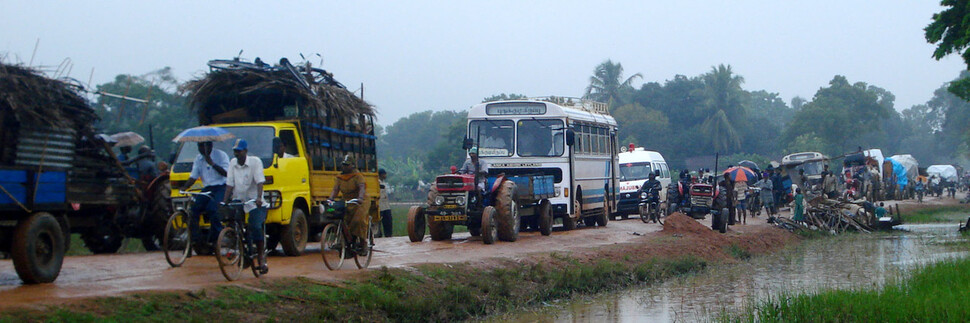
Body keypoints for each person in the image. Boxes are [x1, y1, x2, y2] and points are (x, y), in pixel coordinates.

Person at [223, 139, 268, 274]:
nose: (237, 154)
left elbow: (260, 181)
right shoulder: (232, 163)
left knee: (254, 226)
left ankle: (260, 257)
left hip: (255, 202)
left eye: (239, 151)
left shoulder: (255, 162)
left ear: (245, 151)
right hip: (239, 200)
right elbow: (230, 184)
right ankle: (244, 252)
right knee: (233, 223)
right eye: (235, 151)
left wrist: (259, 198)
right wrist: (224, 201)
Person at [179, 141, 230, 252]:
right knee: (194, 209)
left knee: (212, 209)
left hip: (221, 186)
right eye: (200, 146)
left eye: (204, 146)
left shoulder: (221, 155)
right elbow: (194, 176)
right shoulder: (198, 158)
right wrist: (184, 187)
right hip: (207, 188)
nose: (202, 149)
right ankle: (195, 238)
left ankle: (216, 238)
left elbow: (227, 173)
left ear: (210, 146)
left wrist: (212, 163)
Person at [329, 154, 371, 256]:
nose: (345, 167)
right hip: (347, 200)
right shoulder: (339, 177)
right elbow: (335, 190)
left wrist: (360, 198)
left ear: (352, 165)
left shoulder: (358, 176)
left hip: (360, 201)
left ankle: (363, 244)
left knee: (358, 221)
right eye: (343, 165)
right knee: (344, 221)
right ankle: (347, 244)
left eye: (347, 165)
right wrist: (330, 200)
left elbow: (362, 188)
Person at [378, 168, 394, 238]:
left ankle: (388, 235)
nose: (386, 175)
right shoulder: (377, 182)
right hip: (380, 205)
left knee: (388, 222)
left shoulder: (384, 183)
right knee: (380, 222)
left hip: (386, 206)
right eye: (385, 174)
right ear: (381, 174)